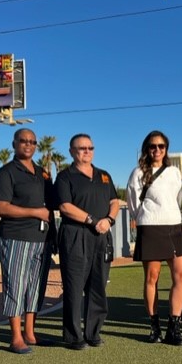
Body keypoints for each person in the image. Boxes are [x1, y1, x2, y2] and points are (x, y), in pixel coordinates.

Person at [0, 128, 55, 354]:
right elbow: (0, 207)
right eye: (23, 141)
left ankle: (29, 332)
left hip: (42, 239)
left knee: (36, 287)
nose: (28, 145)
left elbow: (51, 208)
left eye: (32, 142)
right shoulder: (7, 172)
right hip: (16, 237)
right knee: (15, 287)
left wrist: (53, 235)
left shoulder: (42, 173)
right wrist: (35, 212)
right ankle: (15, 337)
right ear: (14, 144)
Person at [56, 133, 119, 350]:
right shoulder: (65, 176)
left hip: (101, 236)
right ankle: (74, 336)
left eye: (90, 147)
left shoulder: (104, 175)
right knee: (74, 287)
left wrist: (109, 220)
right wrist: (93, 221)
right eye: (82, 148)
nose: (87, 151)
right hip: (75, 235)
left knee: (98, 285)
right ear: (72, 151)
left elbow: (114, 201)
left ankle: (93, 333)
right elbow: (65, 206)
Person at [126, 131, 182, 346]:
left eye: (161, 146)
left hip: (174, 226)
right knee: (152, 277)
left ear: (166, 149)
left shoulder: (174, 172)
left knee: (180, 276)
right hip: (151, 226)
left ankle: (174, 327)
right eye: (153, 146)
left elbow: (177, 198)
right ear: (146, 149)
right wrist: (141, 218)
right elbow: (133, 202)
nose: (157, 150)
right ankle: (154, 327)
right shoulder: (137, 173)